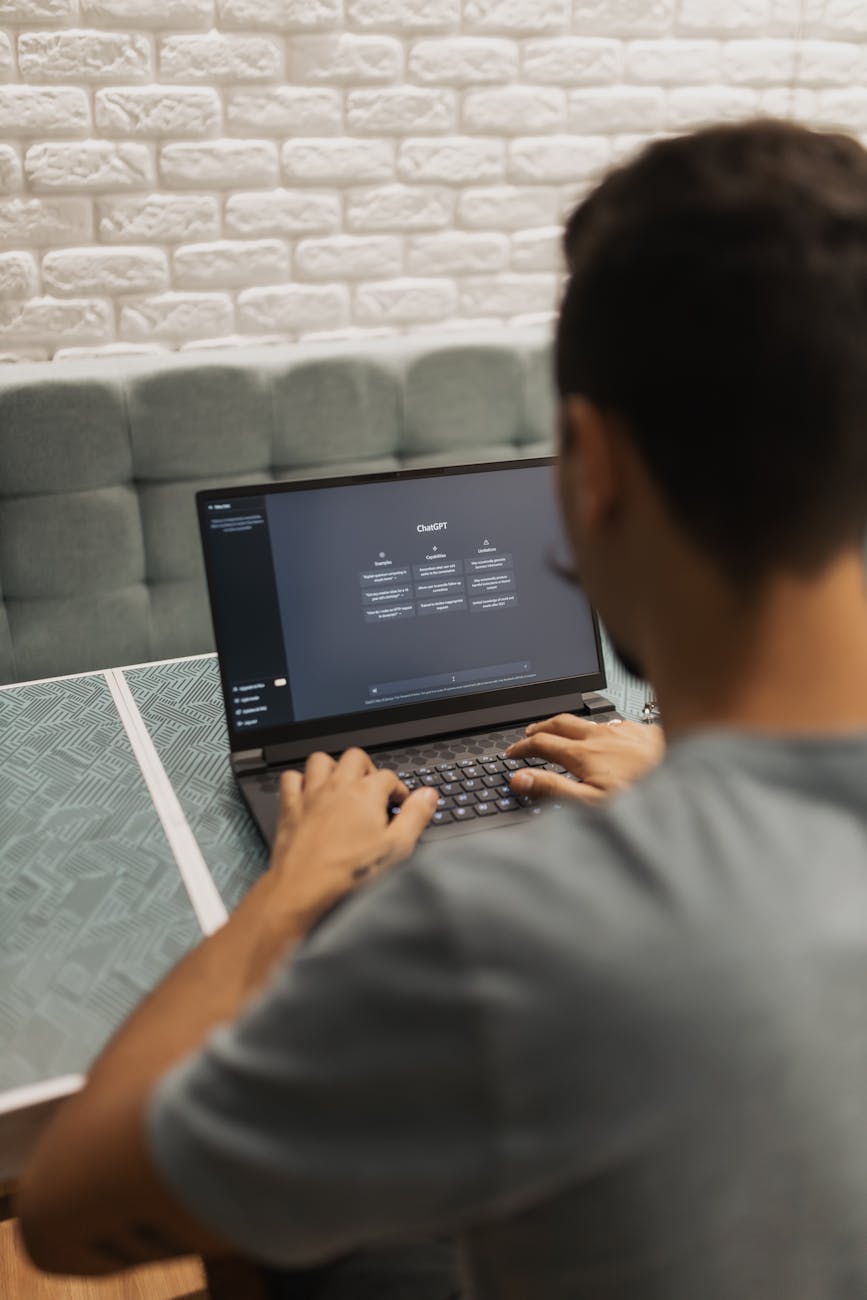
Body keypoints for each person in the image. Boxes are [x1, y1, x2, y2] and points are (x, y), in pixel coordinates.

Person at [18, 119, 867, 1300]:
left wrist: (291, 888)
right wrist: (688, 777)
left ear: (594, 464)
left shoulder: (496, 939)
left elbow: (65, 1210)